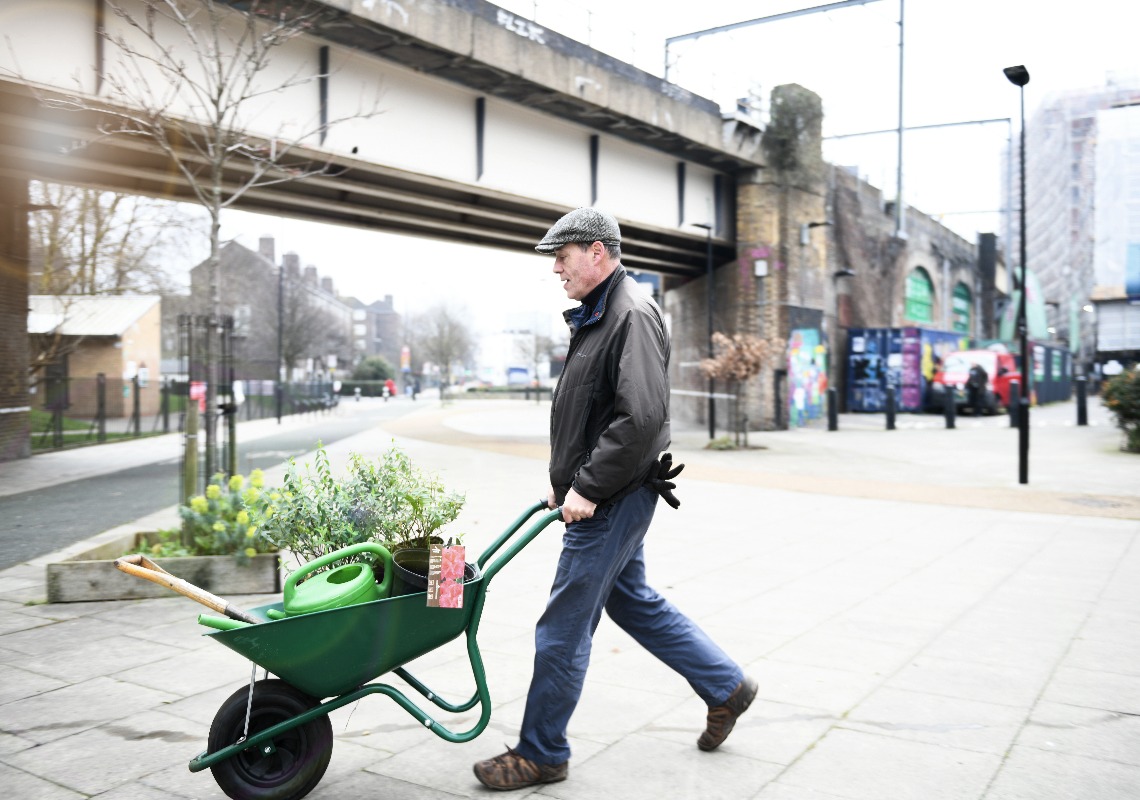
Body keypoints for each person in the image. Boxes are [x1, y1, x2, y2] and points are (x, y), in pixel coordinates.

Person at [473, 208, 756, 791]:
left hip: (612, 499)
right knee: (632, 602)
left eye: (563, 255)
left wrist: (586, 488)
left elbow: (642, 420)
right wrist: (565, 479)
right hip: (608, 493)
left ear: (597, 252)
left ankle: (541, 752)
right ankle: (725, 684)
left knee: (562, 630)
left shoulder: (629, 314)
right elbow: (597, 410)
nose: (556, 267)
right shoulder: (604, 313)